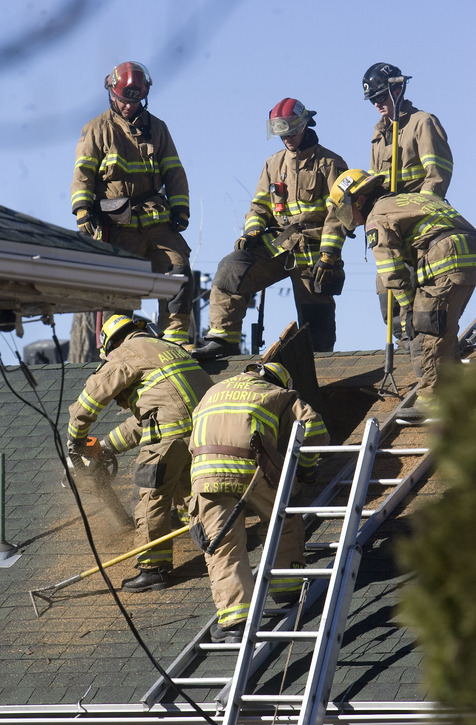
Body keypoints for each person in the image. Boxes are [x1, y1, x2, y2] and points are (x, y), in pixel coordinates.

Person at [191, 98, 348, 360]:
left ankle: (320, 367)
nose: (286, 138)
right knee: (232, 269)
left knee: (317, 326)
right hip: (278, 243)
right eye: (281, 133)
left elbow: (339, 215)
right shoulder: (272, 164)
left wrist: (329, 256)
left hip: (314, 251)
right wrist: (251, 231)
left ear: (305, 125)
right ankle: (223, 339)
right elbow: (259, 206)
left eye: (291, 131)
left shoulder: (331, 163)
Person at [67, 313, 213, 591]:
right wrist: (107, 447)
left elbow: (89, 400)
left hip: (171, 437)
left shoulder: (124, 354)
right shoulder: (168, 349)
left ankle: (153, 568)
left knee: (149, 495)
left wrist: (75, 441)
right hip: (205, 431)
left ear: (110, 343)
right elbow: (149, 418)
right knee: (190, 490)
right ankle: (207, 539)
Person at [188, 361, 329, 642]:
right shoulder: (277, 393)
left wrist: (193, 507)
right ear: (278, 381)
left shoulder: (212, 392)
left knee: (222, 544)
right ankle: (287, 586)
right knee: (284, 519)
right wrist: (307, 468)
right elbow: (313, 427)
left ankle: (235, 620)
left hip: (204, 476)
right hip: (252, 468)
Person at [329, 169, 476, 415]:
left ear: (359, 201)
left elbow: (391, 270)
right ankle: (457, 388)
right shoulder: (411, 199)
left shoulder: (377, 217)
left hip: (443, 258)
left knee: (424, 328)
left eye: (345, 209)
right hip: (467, 254)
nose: (351, 219)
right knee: (444, 329)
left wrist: (407, 307)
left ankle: (433, 398)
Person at [71, 62, 193, 345]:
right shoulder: (96, 129)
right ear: (112, 95)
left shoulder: (158, 128)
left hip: (157, 220)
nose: (128, 106)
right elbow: (83, 174)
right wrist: (83, 210)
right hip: (117, 225)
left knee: (178, 271)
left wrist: (180, 209)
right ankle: (117, 349)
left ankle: (175, 341)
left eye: (135, 100)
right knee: (119, 286)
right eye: (124, 100)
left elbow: (175, 172)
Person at [363, 62, 454, 342]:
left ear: (398, 88)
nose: (377, 104)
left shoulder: (422, 122)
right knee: (387, 293)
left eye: (381, 96)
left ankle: (423, 355)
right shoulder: (379, 135)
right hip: (389, 229)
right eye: (373, 99)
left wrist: (415, 214)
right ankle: (404, 352)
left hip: (417, 226)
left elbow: (437, 176)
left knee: (421, 303)